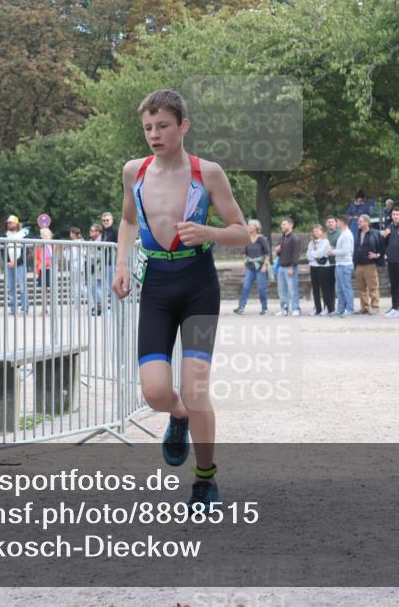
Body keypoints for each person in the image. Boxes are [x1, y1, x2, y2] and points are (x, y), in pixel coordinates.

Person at [112, 88, 250, 510]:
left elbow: (243, 232)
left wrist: (209, 232)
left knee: (195, 390)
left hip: (198, 286)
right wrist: (121, 263)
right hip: (156, 283)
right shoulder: (133, 172)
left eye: (163, 126)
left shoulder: (206, 173)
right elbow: (126, 220)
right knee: (155, 392)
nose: (154, 134)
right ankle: (178, 417)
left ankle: (205, 480)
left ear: (183, 126)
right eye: (148, 128)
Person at [234, 219, 271, 315]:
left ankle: (265, 308)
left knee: (261, 288)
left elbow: (267, 254)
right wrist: (243, 265)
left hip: (260, 267)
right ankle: (241, 307)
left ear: (256, 227)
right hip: (250, 267)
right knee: (245, 287)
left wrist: (264, 266)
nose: (248, 226)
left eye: (250, 225)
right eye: (248, 225)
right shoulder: (247, 239)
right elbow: (246, 254)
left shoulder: (262, 239)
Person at [381, 208, 399, 317]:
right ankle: (394, 308)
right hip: (391, 260)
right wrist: (384, 236)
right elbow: (383, 243)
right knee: (393, 286)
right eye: (394, 214)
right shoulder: (389, 227)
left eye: (397, 214)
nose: (395, 216)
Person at [352, 214, 382, 314]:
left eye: (360, 221)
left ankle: (375, 307)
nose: (358, 223)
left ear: (366, 222)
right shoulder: (358, 233)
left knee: (373, 287)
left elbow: (383, 248)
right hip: (359, 265)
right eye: (359, 221)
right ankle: (364, 307)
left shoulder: (376, 233)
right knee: (361, 288)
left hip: (370, 265)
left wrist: (377, 255)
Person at [305, 223, 335, 316]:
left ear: (322, 232)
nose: (315, 233)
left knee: (325, 288)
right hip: (313, 267)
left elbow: (321, 253)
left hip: (323, 268)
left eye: (317, 231)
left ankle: (328, 307)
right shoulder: (311, 243)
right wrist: (315, 255)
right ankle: (317, 308)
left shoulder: (325, 242)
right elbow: (308, 255)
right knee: (315, 289)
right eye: (314, 231)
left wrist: (314, 255)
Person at [274, 217, 301, 316]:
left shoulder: (295, 238)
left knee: (292, 289)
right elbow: (280, 253)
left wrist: (292, 267)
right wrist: (277, 251)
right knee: (282, 290)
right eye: (282, 224)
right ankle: (284, 309)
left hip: (290, 267)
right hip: (281, 267)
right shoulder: (281, 238)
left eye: (284, 224)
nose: (282, 226)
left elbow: (296, 254)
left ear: (291, 225)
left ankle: (296, 309)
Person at [4, 215, 29, 314]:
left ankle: (24, 309)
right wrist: (8, 261)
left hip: (20, 265)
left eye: (11, 223)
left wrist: (16, 262)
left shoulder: (23, 235)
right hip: (9, 264)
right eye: (8, 223)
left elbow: (25, 253)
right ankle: (13, 309)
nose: (9, 224)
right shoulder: (5, 235)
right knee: (11, 288)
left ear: (16, 223)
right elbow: (3, 250)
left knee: (22, 287)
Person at [333, 215, 355, 316]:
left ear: (342, 222)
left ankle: (349, 309)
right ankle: (341, 309)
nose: (336, 223)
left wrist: (332, 252)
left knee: (346, 288)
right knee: (339, 289)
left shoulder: (346, 235)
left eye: (337, 221)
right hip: (340, 264)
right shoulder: (343, 233)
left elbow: (346, 251)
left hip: (345, 265)